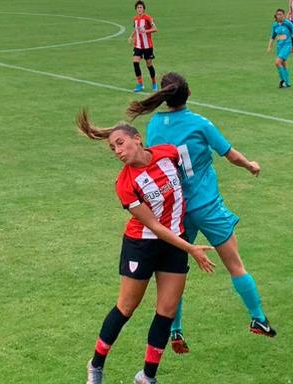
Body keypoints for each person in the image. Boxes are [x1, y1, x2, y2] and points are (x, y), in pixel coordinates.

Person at [126, 72, 276, 354]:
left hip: (176, 211)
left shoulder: (154, 125)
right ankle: (258, 318)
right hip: (207, 206)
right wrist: (250, 165)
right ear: (188, 94)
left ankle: (175, 329)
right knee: (235, 266)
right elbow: (230, 155)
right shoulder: (200, 123)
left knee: (175, 272)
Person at [77, 110, 215, 384]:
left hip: (174, 243)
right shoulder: (125, 183)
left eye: (119, 143)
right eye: (112, 147)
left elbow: (191, 174)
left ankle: (146, 377)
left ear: (137, 139)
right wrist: (191, 248)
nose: (117, 151)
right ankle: (95, 365)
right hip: (142, 245)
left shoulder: (168, 153)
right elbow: (153, 225)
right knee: (126, 307)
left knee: (167, 310)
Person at [128, 1, 158, 93]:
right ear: (136, 9)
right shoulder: (135, 19)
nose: (139, 9)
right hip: (138, 45)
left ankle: (154, 83)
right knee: (135, 62)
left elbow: (155, 29)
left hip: (147, 46)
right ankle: (140, 84)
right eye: (138, 8)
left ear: (143, 9)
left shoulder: (148, 18)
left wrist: (145, 31)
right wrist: (131, 36)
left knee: (149, 64)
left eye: (141, 7)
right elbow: (136, 29)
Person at [266, 8, 293, 88]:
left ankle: (283, 80)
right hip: (279, 46)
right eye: (278, 14)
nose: (279, 16)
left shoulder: (288, 23)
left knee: (277, 62)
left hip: (287, 45)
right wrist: (269, 46)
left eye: (280, 14)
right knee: (283, 64)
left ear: (284, 15)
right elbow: (273, 36)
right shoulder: (275, 25)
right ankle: (287, 82)